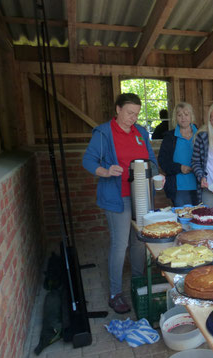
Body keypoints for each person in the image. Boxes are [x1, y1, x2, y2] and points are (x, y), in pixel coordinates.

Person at [82, 93, 163, 314]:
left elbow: (152, 162)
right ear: (117, 109)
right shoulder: (104, 133)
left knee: (138, 240)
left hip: (142, 197)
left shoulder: (141, 133)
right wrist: (106, 171)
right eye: (129, 113)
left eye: (136, 114)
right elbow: (88, 160)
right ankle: (115, 293)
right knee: (120, 245)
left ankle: (137, 283)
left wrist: (157, 175)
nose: (133, 118)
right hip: (117, 196)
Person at [158, 102, 199, 206]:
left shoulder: (200, 134)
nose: (183, 118)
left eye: (186, 114)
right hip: (178, 187)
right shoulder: (169, 137)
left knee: (200, 216)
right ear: (175, 118)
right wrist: (179, 168)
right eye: (179, 115)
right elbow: (163, 161)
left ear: (191, 116)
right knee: (182, 217)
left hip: (200, 185)